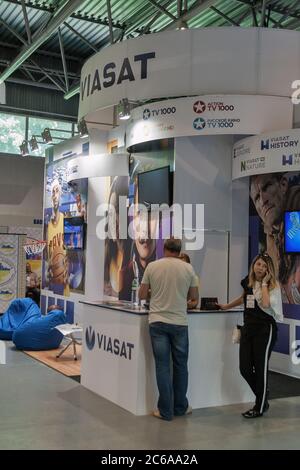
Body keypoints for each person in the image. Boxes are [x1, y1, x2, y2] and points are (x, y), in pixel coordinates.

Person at [139, 238, 199, 421]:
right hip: (180, 323)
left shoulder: (152, 266)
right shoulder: (188, 269)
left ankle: (165, 411)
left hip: (157, 322)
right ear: (180, 251)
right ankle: (180, 407)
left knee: (163, 367)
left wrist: (155, 292)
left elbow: (141, 294)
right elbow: (195, 299)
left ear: (164, 248)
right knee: (181, 366)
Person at [218, 253, 283, 418]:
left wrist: (264, 283)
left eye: (264, 266)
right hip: (248, 329)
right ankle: (263, 397)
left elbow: (266, 304)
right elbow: (243, 298)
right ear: (253, 265)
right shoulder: (248, 282)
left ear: (268, 270)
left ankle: (259, 407)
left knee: (260, 369)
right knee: (245, 368)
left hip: (264, 330)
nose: (260, 268)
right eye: (258, 264)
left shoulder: (272, 286)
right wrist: (226, 306)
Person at [250, 172, 300, 303]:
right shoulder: (271, 230)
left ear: (283, 185)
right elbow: (277, 277)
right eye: (256, 198)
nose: (263, 200)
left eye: (266, 187)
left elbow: (294, 276)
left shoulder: (296, 205)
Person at [47, 178, 69, 296]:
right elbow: (49, 258)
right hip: (53, 283)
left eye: (57, 191)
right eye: (53, 192)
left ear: (60, 195)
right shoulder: (49, 226)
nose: (55, 196)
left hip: (64, 283)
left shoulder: (65, 220)